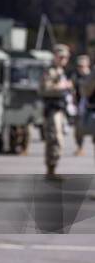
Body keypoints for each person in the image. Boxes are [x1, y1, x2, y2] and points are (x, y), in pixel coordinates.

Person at [39, 44, 73, 178]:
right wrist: (61, 86)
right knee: (55, 139)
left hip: (61, 108)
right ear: (55, 57)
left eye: (66, 57)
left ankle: (51, 169)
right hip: (52, 109)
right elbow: (43, 89)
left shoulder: (62, 71)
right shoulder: (51, 71)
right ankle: (51, 169)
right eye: (61, 57)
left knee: (56, 139)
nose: (63, 59)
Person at [70, 54, 92, 155]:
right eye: (79, 66)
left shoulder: (92, 77)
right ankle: (80, 147)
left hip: (91, 107)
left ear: (88, 65)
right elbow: (72, 91)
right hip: (79, 106)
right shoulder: (75, 77)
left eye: (83, 66)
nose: (81, 68)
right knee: (78, 129)